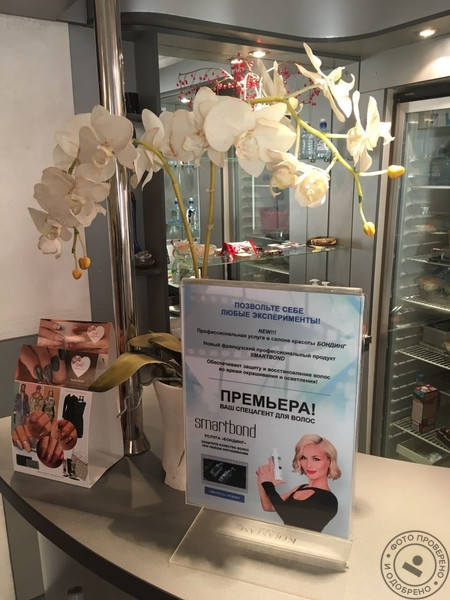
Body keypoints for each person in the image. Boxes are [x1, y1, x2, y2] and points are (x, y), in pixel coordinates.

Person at [256, 434, 341, 532]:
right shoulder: (300, 488)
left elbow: (290, 518)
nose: (308, 465)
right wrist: (261, 481)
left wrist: (267, 484)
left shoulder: (329, 500)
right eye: (303, 458)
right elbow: (269, 506)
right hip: (285, 538)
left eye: (316, 459)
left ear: (330, 461)